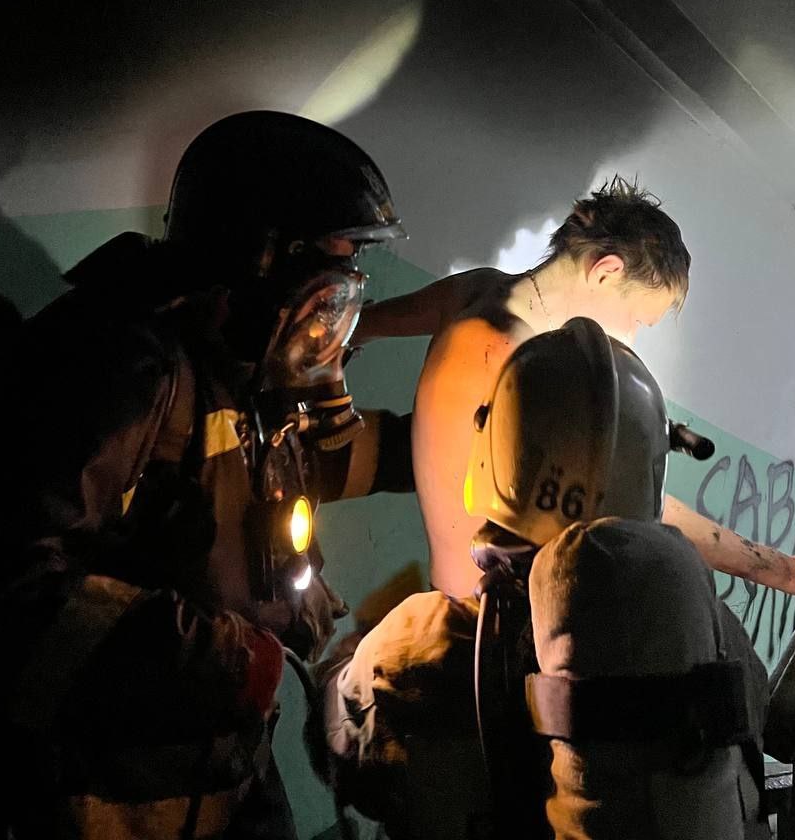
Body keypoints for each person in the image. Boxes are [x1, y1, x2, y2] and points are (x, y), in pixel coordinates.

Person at [0, 111, 415, 840]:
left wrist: (451, 441)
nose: (335, 305)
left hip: (221, 768)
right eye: (329, 270)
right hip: (104, 802)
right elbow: (14, 589)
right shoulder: (120, 367)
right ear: (259, 258)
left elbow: (292, 475)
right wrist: (231, 660)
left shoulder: (229, 364)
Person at [353, 176, 795, 606]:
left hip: (444, 603)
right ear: (606, 271)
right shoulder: (530, 372)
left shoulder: (477, 292)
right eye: (638, 319)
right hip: (489, 633)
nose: (633, 339)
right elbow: (645, 508)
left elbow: (361, 322)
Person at [316, 318, 768, 839]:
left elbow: (337, 737)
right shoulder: (702, 626)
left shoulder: (415, 644)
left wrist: (342, 660)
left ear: (497, 445)